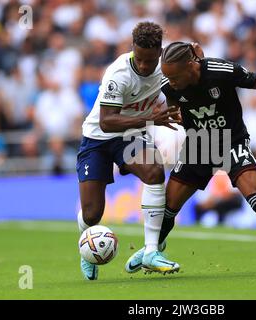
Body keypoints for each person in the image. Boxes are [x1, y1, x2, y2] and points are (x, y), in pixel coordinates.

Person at [128, 41, 256, 274]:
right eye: (167, 77)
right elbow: (174, 104)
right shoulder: (169, 84)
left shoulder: (220, 71)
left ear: (190, 66)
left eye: (174, 77)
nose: (170, 82)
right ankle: (152, 249)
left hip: (232, 142)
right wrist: (174, 115)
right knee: (169, 208)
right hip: (199, 146)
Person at [76, 22, 181, 280]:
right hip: (98, 139)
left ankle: (151, 251)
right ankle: (86, 249)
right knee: (92, 213)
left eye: (149, 60)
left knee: (154, 171)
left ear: (159, 51)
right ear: (132, 49)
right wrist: (149, 119)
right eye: (139, 59)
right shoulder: (118, 73)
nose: (144, 66)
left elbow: (188, 67)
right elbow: (106, 121)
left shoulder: (165, 67)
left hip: (130, 136)